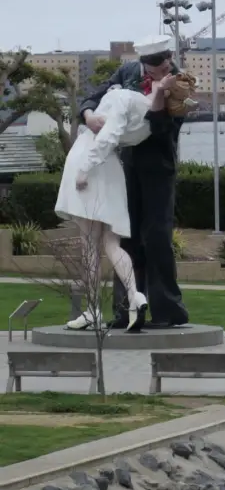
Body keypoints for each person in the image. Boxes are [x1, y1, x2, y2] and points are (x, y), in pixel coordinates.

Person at [78, 35, 189, 332]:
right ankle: (126, 308)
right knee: (124, 236)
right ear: (143, 63)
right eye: (155, 64)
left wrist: (160, 96)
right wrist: (89, 116)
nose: (162, 68)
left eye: (165, 61)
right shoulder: (126, 74)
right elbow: (93, 96)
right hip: (124, 163)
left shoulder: (179, 82)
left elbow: (165, 129)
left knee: (157, 236)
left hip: (158, 164)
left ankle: (168, 310)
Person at [56, 87, 153, 331]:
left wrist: (84, 169)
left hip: (91, 163)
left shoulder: (121, 98)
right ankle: (134, 295)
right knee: (112, 244)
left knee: (89, 244)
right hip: (110, 168)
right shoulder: (146, 121)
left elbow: (105, 136)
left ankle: (93, 309)